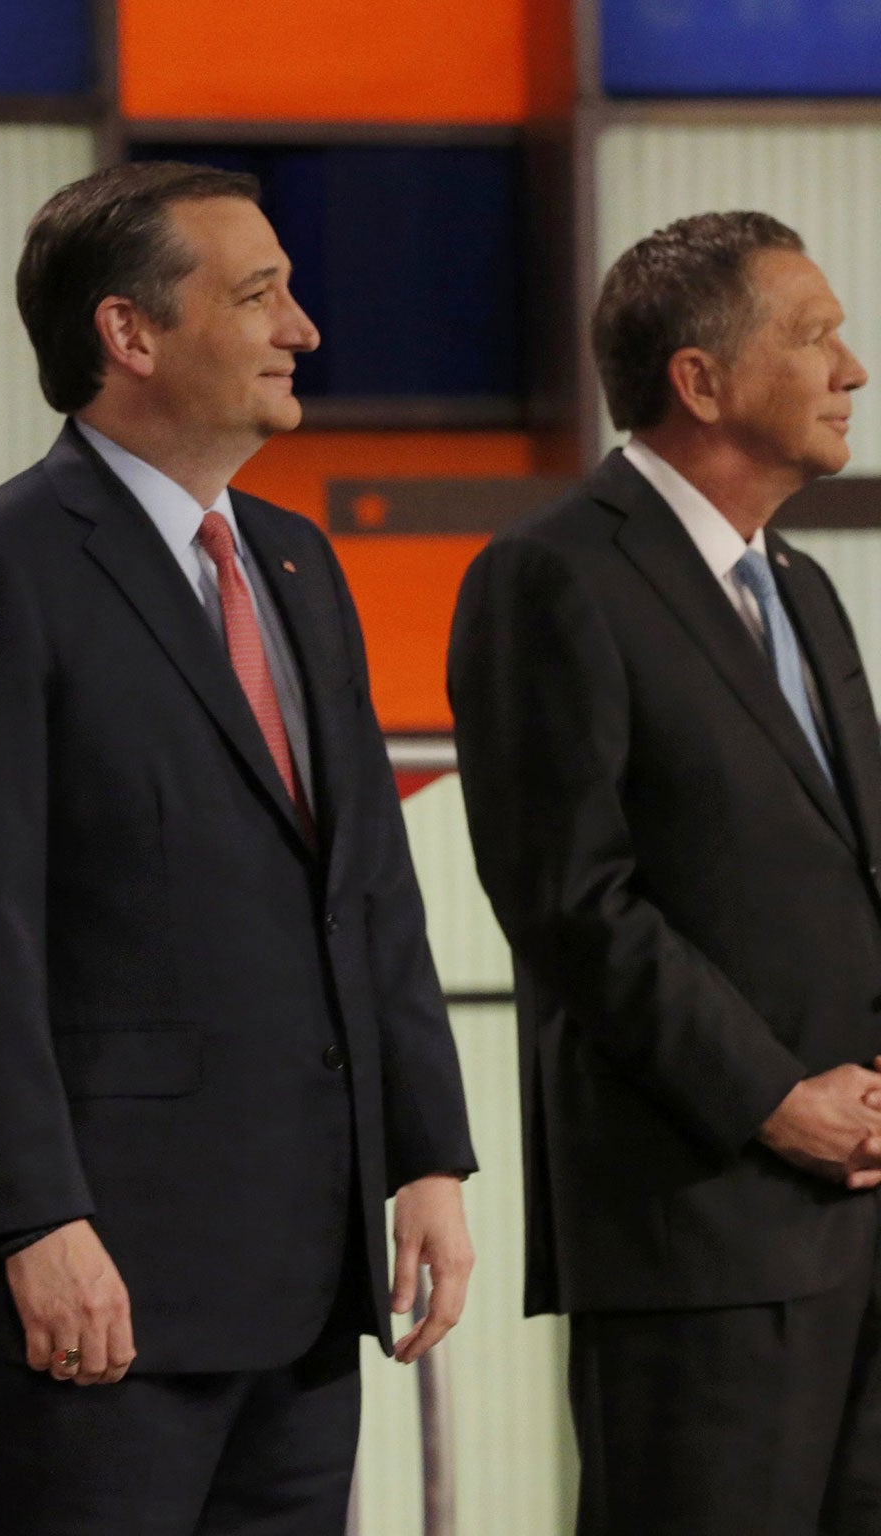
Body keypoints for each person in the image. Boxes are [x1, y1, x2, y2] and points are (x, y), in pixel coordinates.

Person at [0, 161, 478, 1536]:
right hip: (99, 1291)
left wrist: (427, 1152)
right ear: (129, 335)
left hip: (305, 1290)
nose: (301, 329)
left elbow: (367, 887)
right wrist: (32, 1223)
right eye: (259, 295)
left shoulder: (303, 569)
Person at [450, 211, 881, 1535]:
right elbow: (569, 899)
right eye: (814, 338)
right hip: (701, 1226)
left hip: (859, 1222)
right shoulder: (552, 576)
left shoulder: (803, 587)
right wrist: (773, 1100)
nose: (850, 370)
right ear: (698, 381)